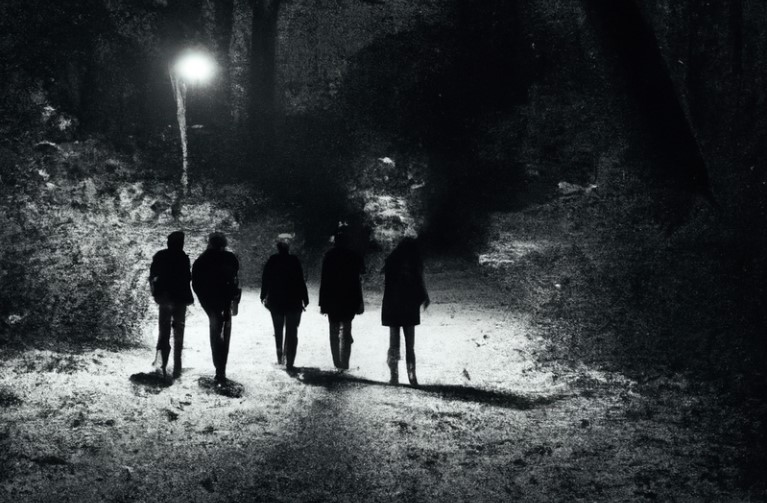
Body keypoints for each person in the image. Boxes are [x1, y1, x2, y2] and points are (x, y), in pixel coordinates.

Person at [192, 232, 240, 383]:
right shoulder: (230, 258)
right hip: (225, 299)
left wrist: (204, 300)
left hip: (210, 300)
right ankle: (221, 369)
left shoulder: (202, 259)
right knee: (226, 332)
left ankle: (218, 366)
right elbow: (235, 279)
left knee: (215, 329)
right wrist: (234, 297)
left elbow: (196, 283)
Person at [381, 237, 430, 386]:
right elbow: (419, 283)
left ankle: (394, 376)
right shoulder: (414, 263)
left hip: (392, 307)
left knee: (394, 344)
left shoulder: (391, 261)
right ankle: (412, 377)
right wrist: (424, 298)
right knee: (410, 345)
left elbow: (387, 285)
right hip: (409, 307)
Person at [149, 230, 194, 378]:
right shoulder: (183, 258)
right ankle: (177, 368)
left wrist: (156, 294)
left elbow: (153, 277)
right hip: (180, 300)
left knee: (164, 333)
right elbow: (188, 278)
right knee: (178, 334)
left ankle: (160, 365)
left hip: (165, 299)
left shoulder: (161, 256)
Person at [260, 235, 309, 370]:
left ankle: (279, 357)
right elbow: (300, 280)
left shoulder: (272, 260)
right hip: (293, 301)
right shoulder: (294, 260)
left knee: (278, 329)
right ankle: (290, 361)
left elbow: (265, 279)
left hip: (276, 301)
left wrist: (263, 295)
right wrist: (305, 298)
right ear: (288, 249)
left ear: (278, 248)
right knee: (292, 330)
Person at [319, 228, 364, 370]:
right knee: (346, 330)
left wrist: (323, 303)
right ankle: (345, 363)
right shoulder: (354, 256)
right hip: (349, 299)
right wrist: (359, 302)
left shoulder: (329, 256)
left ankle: (337, 362)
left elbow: (324, 281)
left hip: (332, 300)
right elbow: (358, 279)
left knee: (333, 331)